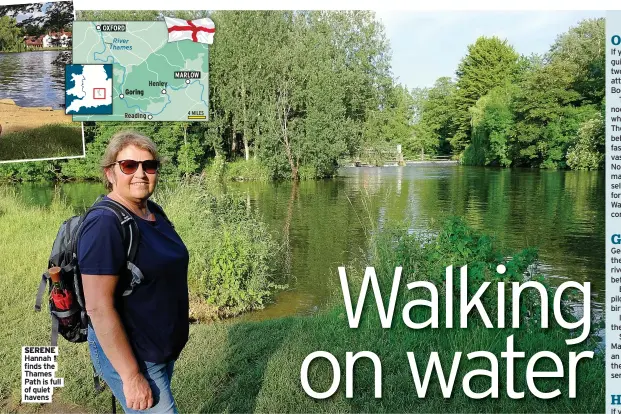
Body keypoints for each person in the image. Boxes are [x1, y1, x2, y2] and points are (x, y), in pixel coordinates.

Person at [78, 131, 189, 413]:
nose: (140, 173)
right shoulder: (105, 224)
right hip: (132, 354)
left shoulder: (153, 212)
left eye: (149, 165)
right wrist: (131, 375)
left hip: (158, 346)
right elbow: (99, 307)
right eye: (129, 165)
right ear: (110, 173)